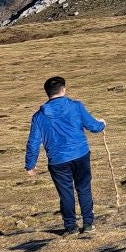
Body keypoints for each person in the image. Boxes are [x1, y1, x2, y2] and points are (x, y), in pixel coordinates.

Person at [25, 76, 106, 235]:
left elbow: (34, 142)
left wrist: (30, 164)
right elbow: (93, 126)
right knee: (84, 188)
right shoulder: (76, 106)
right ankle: (88, 224)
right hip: (80, 154)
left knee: (66, 193)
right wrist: (102, 124)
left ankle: (71, 227)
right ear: (64, 89)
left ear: (47, 93)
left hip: (57, 161)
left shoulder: (38, 117)